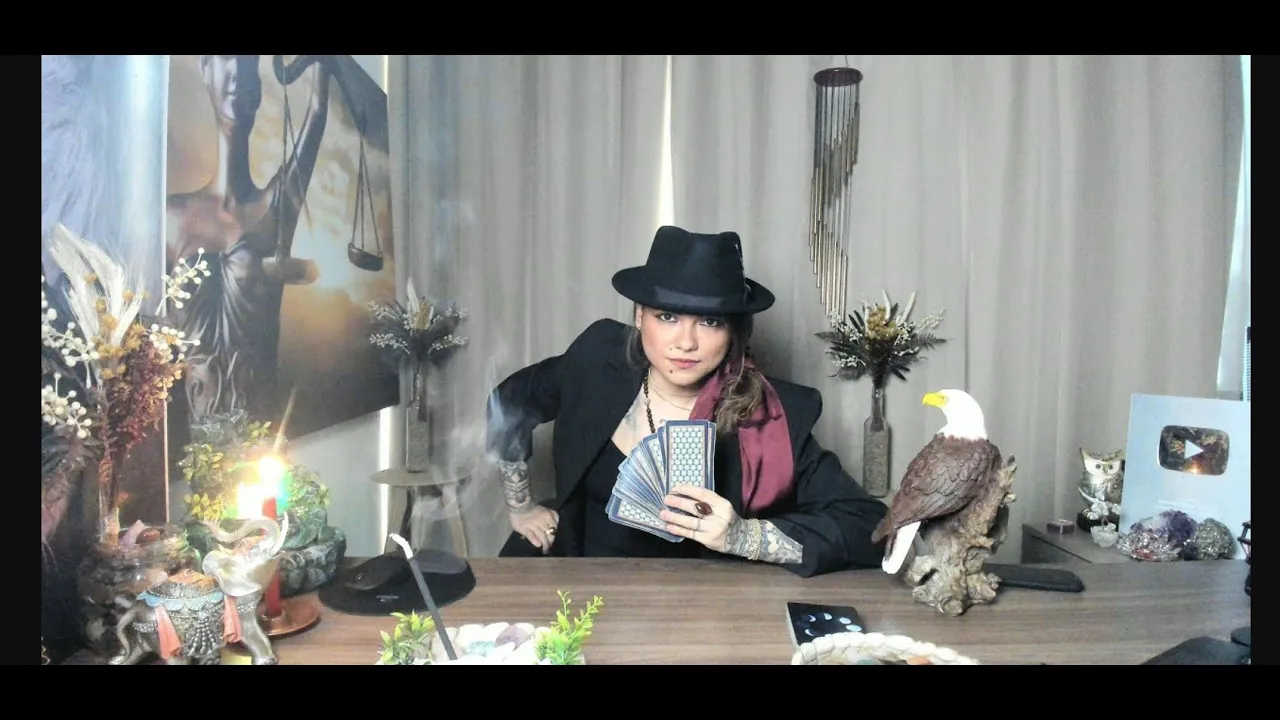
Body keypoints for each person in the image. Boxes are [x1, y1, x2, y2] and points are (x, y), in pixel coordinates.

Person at [485, 226, 889, 577]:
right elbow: (510, 402)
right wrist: (521, 506)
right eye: (668, 317)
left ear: (735, 333)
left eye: (710, 322)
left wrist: (745, 537)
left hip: (703, 603)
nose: (686, 342)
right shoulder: (597, 361)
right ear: (640, 315)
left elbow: (869, 529)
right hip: (585, 581)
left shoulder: (772, 416)